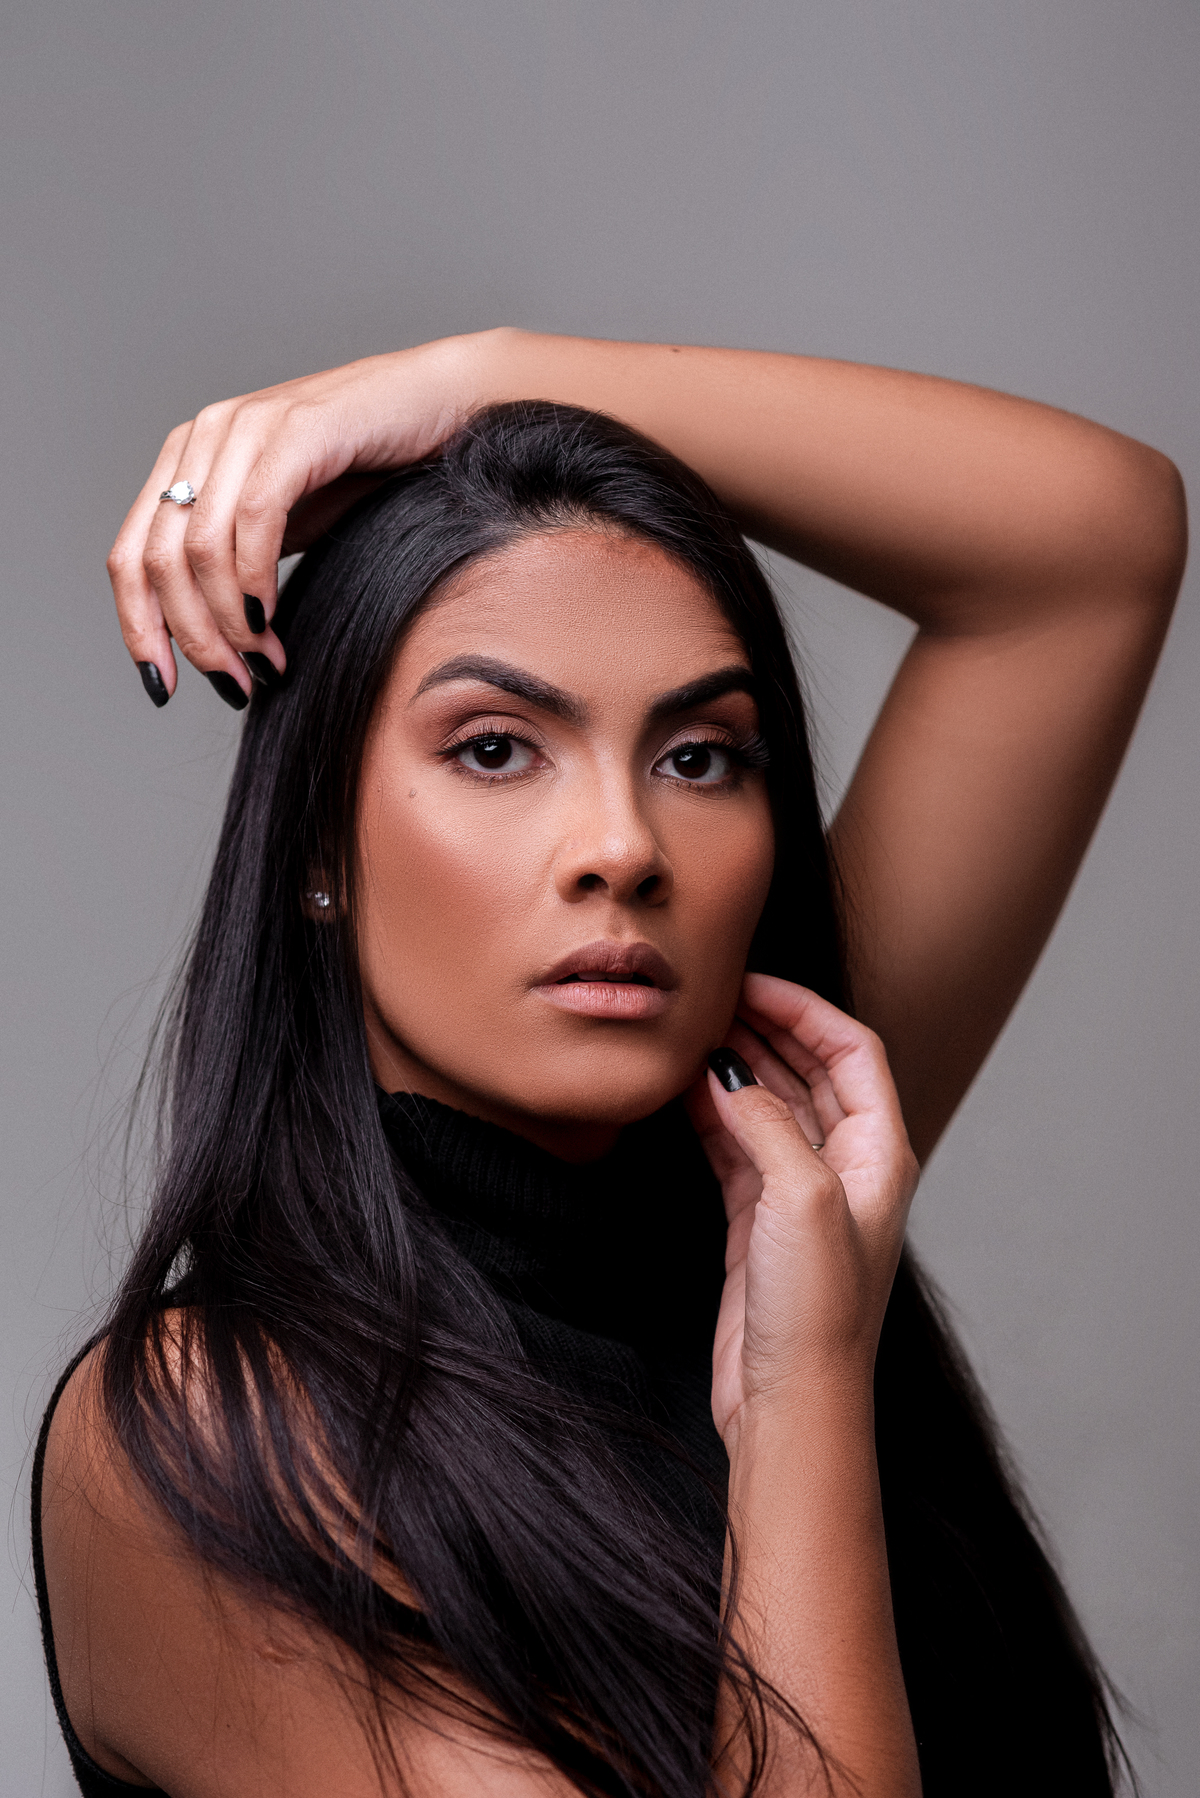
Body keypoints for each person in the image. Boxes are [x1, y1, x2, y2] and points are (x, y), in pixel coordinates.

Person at [34, 332, 1185, 1798]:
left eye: (698, 757)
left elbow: (1092, 546)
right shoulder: (207, 1436)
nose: (625, 848)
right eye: (496, 748)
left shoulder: (788, 1191)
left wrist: (477, 381)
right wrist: (799, 1402)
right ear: (318, 845)